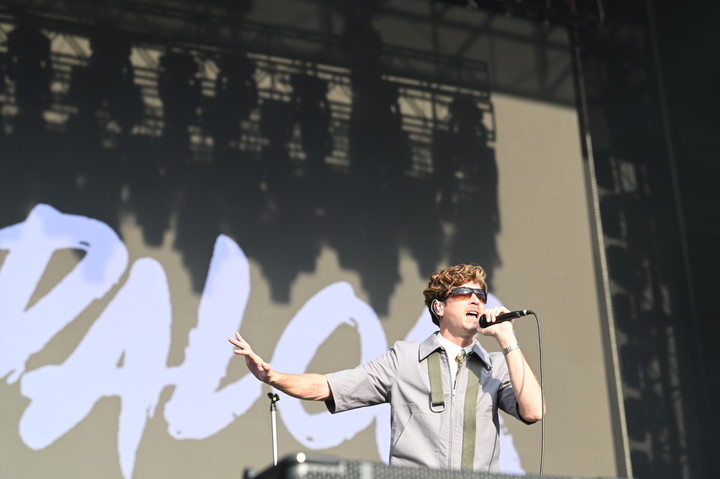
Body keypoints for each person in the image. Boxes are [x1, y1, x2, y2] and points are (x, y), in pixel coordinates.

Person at [228, 263, 544, 473]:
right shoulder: (404, 360)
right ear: (440, 307)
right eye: (465, 294)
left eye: (481, 295)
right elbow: (329, 386)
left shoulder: (498, 366)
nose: (476, 301)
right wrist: (272, 376)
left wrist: (507, 338)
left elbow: (533, 412)